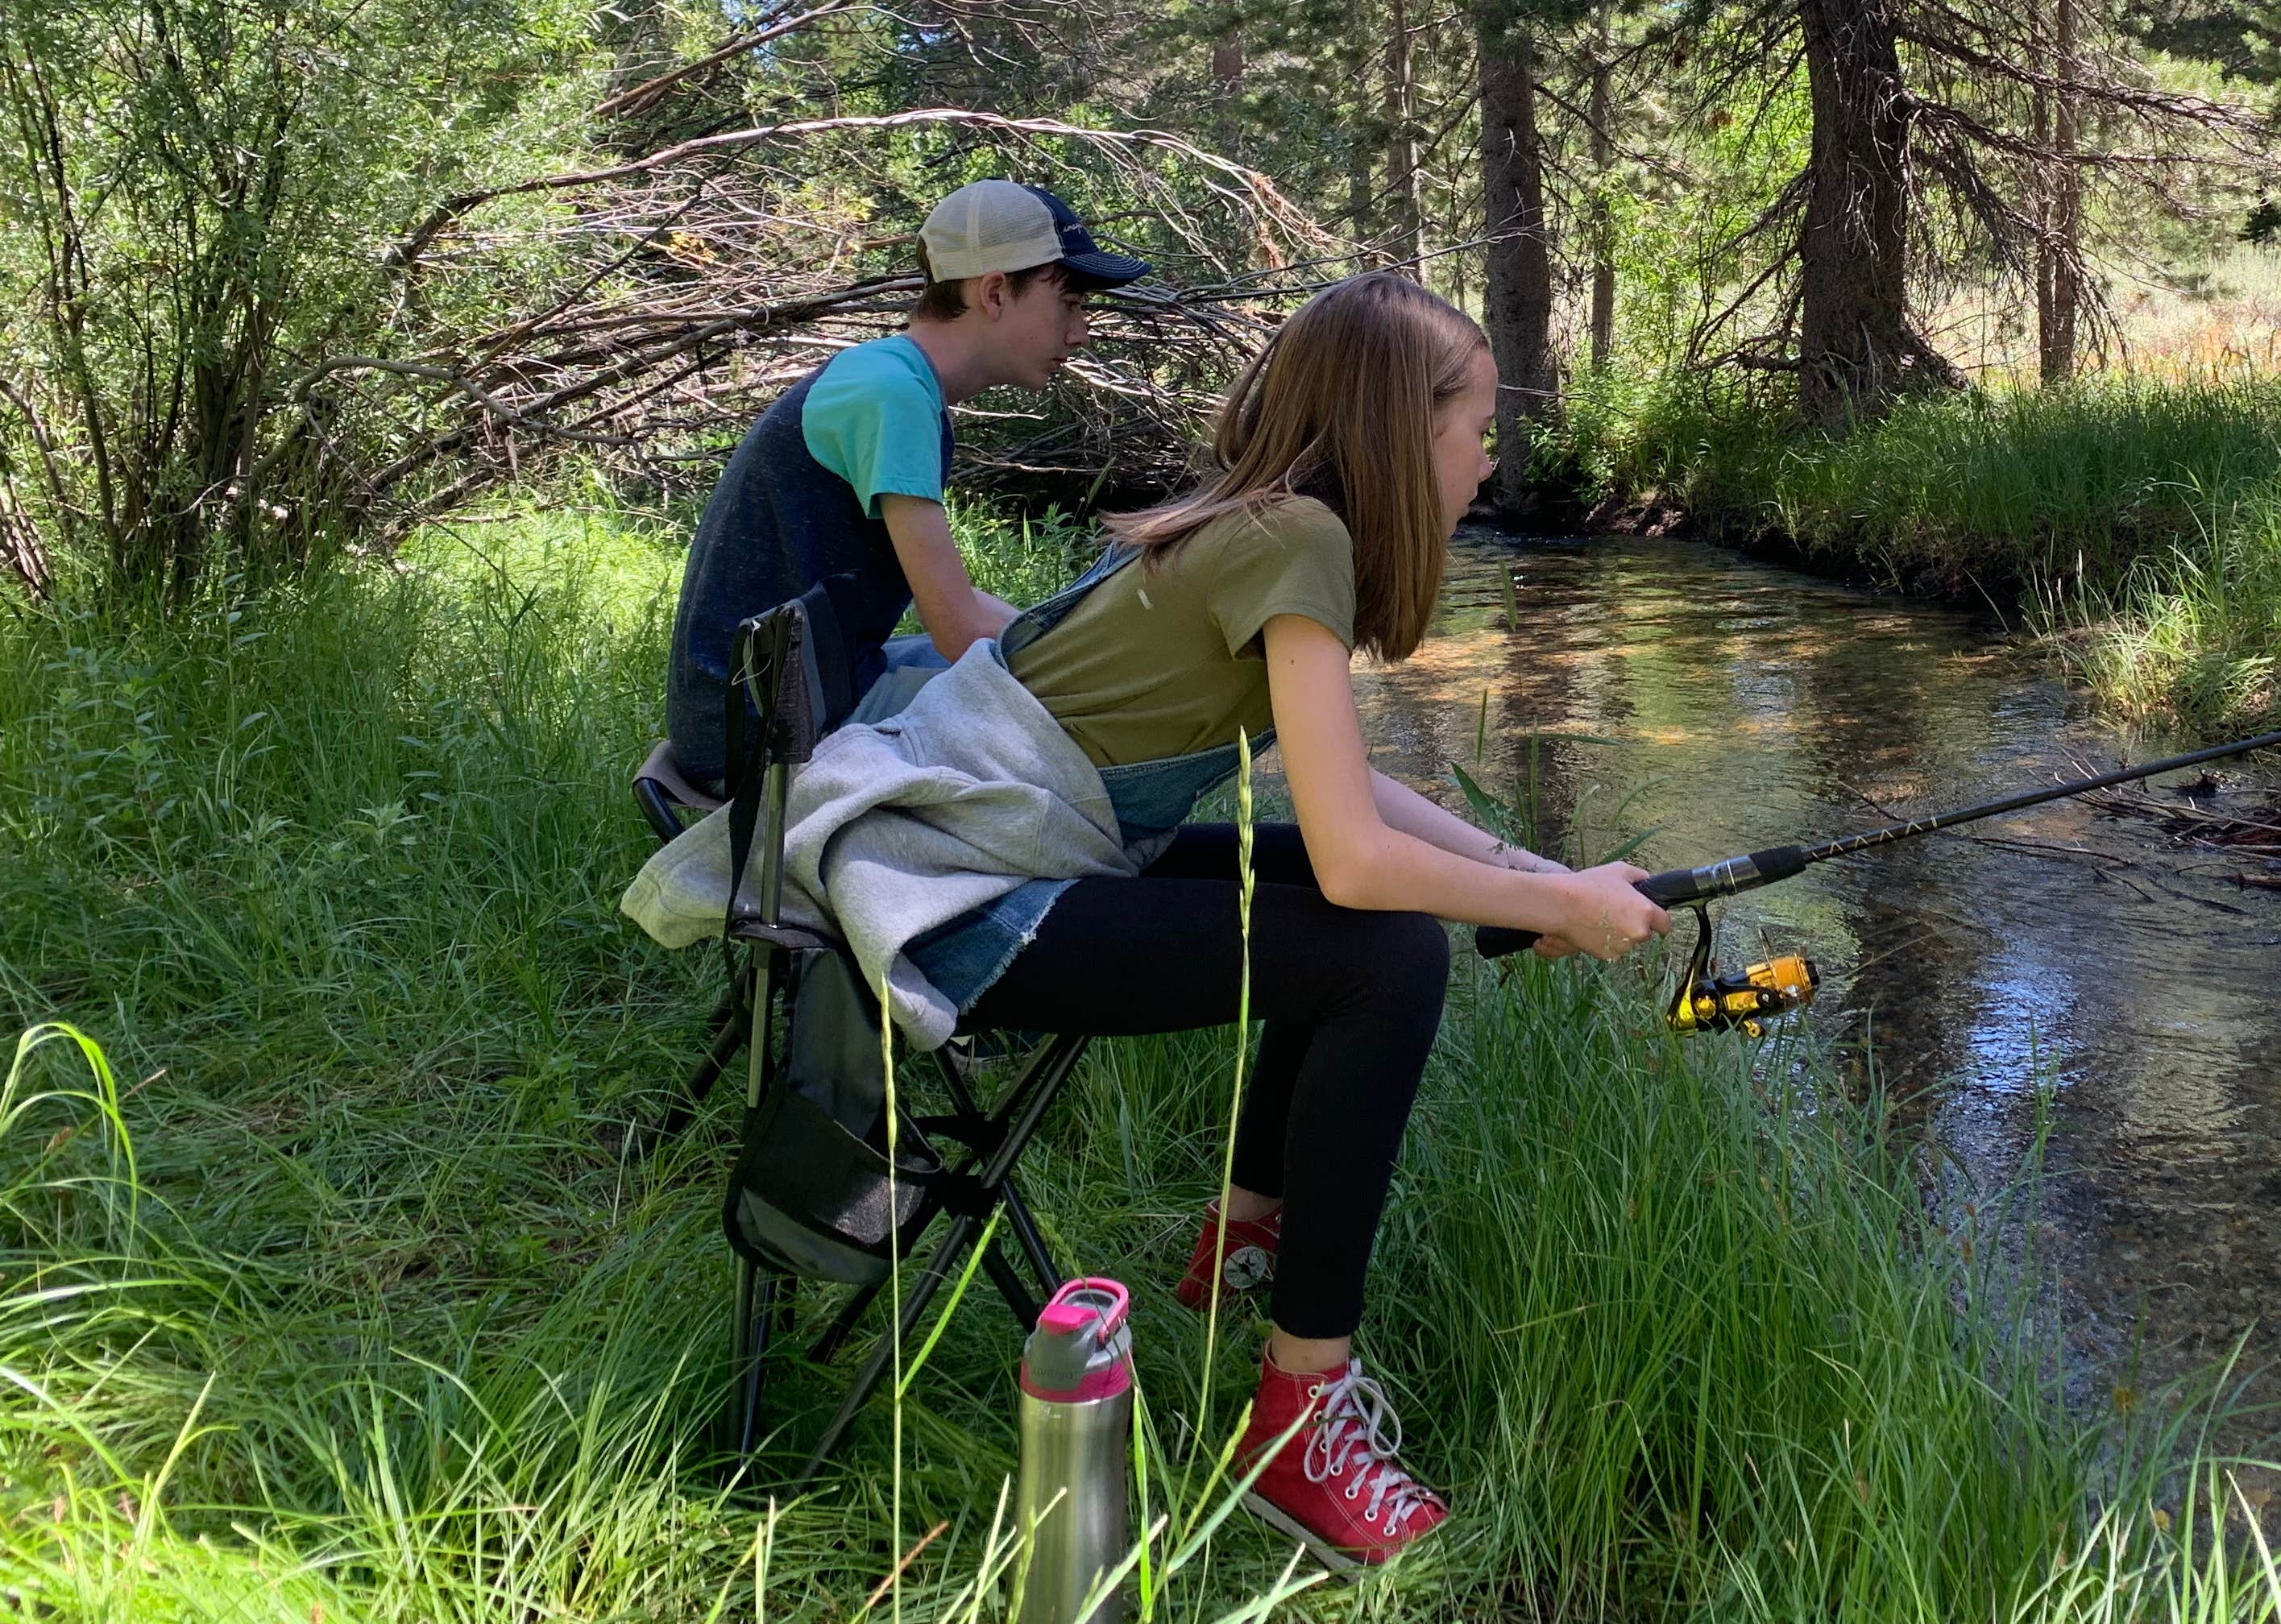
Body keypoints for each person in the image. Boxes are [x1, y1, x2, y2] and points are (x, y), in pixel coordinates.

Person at [912, 271, 1674, 1572]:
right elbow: (1362, 859)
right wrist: (1550, 901)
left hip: (991, 851)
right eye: (1476, 429)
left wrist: (1543, 875)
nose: (1489, 463)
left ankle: (1249, 1238)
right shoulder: (1295, 542)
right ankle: (1298, 1419)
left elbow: (1351, 798)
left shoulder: (1266, 527)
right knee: (1384, 953)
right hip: (968, 899)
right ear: (1398, 431)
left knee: (1338, 913)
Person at [660, 179, 1149, 793]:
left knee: (1042, 681)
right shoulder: (891, 394)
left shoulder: (894, 378)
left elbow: (955, 603)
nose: (1080, 332)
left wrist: (1071, 642)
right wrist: (1115, 669)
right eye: (1070, 302)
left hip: (785, 696)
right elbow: (957, 625)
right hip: (767, 730)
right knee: (1075, 721)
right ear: (995, 292)